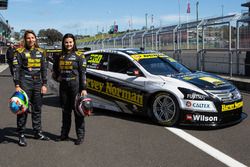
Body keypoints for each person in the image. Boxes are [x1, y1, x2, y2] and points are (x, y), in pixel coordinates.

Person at [12, 30, 50, 147]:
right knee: (23, 109)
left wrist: (44, 84)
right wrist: (17, 85)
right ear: (25, 39)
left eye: (33, 38)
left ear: (35, 39)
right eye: (28, 38)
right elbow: (16, 69)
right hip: (25, 83)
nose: (31, 40)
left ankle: (37, 132)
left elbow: (44, 69)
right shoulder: (19, 52)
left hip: (38, 83)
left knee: (37, 109)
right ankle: (21, 134)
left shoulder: (42, 52)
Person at [53, 33, 87, 145]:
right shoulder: (59, 56)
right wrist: (57, 77)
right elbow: (55, 72)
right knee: (65, 112)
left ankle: (80, 136)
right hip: (63, 88)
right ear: (63, 43)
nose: (68, 44)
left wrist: (83, 88)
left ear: (74, 43)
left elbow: (83, 73)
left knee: (78, 112)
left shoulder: (79, 56)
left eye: (70, 42)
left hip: (76, 87)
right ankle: (64, 134)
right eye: (66, 42)